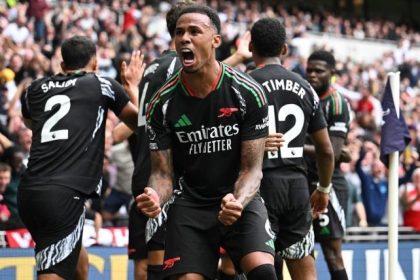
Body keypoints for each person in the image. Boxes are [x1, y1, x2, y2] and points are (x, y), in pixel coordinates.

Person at [112, 2, 253, 279]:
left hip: (146, 173)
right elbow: (209, 78)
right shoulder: (178, 70)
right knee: (181, 264)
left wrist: (133, 94)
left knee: (150, 265)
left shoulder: (151, 70)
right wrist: (238, 57)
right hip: (170, 180)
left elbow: (124, 132)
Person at [136, 5, 277, 280]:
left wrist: (237, 201)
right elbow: (162, 174)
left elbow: (252, 170)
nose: (184, 38)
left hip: (238, 198)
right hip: (190, 205)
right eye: (179, 33)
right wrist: (155, 195)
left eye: (194, 31)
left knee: (263, 272)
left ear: (215, 41)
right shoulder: (161, 103)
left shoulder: (248, 92)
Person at [17, 35, 143, 280]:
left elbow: (32, 123)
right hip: (64, 194)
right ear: (95, 64)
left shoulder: (35, 88)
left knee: (78, 266)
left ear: (62, 66)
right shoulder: (101, 84)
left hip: (30, 191)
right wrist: (133, 90)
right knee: (53, 271)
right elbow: (140, 124)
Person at [248, 18, 334, 280]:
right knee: (304, 272)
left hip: (258, 186)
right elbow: (326, 150)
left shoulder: (244, 83)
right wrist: (323, 189)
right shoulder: (306, 87)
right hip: (297, 187)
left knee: (258, 269)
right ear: (284, 50)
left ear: (251, 47)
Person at [305, 50, 352, 280]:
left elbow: (331, 153)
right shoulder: (304, 95)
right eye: (309, 70)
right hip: (301, 181)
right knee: (301, 251)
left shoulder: (336, 103)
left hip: (328, 184)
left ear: (332, 74)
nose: (312, 75)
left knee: (332, 254)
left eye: (319, 71)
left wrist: (292, 146)